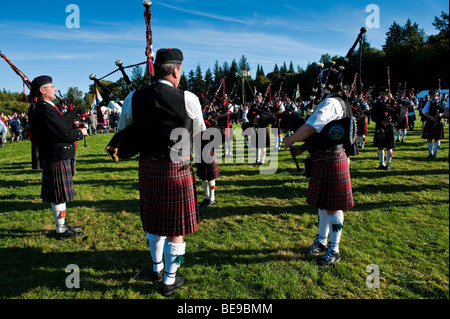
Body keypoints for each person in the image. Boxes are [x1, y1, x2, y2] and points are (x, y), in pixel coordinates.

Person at [118, 48, 205, 297]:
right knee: (175, 227)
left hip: (147, 167)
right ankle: (170, 279)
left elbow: (124, 130)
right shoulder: (188, 98)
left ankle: (156, 268)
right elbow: (200, 135)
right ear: (176, 70)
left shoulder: (133, 97)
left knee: (154, 222)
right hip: (177, 167)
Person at [284, 68, 354, 266]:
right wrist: (302, 148)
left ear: (327, 85)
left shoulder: (332, 102)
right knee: (323, 205)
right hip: (325, 157)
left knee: (332, 208)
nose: (319, 88)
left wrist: (290, 139)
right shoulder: (338, 100)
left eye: (321, 84)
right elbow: (323, 134)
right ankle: (322, 242)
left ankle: (335, 248)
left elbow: (311, 127)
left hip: (331, 159)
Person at [29, 76, 87, 240]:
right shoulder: (44, 108)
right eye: (52, 87)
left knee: (59, 197)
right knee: (59, 197)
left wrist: (73, 117)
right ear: (42, 90)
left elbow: (60, 123)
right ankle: (61, 230)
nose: (55, 90)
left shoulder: (47, 106)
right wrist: (79, 133)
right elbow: (63, 133)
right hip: (56, 156)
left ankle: (62, 226)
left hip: (56, 155)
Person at [371, 89, 403, 172]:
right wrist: (381, 121)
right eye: (381, 93)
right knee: (380, 146)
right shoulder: (377, 104)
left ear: (388, 94)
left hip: (389, 126)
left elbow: (399, 114)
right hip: (380, 126)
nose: (382, 95)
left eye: (383, 94)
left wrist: (391, 120)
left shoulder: (393, 103)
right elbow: (373, 116)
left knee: (389, 146)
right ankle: (382, 163)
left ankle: (388, 164)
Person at [197, 97, 220, 208]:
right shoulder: (197, 117)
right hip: (199, 147)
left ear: (204, 107)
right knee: (203, 176)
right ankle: (206, 197)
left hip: (208, 148)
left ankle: (212, 198)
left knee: (210, 176)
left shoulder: (210, 118)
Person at [421, 90, 445, 159]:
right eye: (431, 96)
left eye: (433, 96)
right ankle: (430, 153)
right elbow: (424, 112)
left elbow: (446, 111)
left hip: (438, 122)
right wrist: (432, 117)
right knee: (429, 138)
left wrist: (441, 114)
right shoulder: (429, 103)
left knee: (437, 139)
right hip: (430, 121)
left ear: (437, 95)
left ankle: (435, 153)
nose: (432, 97)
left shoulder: (442, 102)